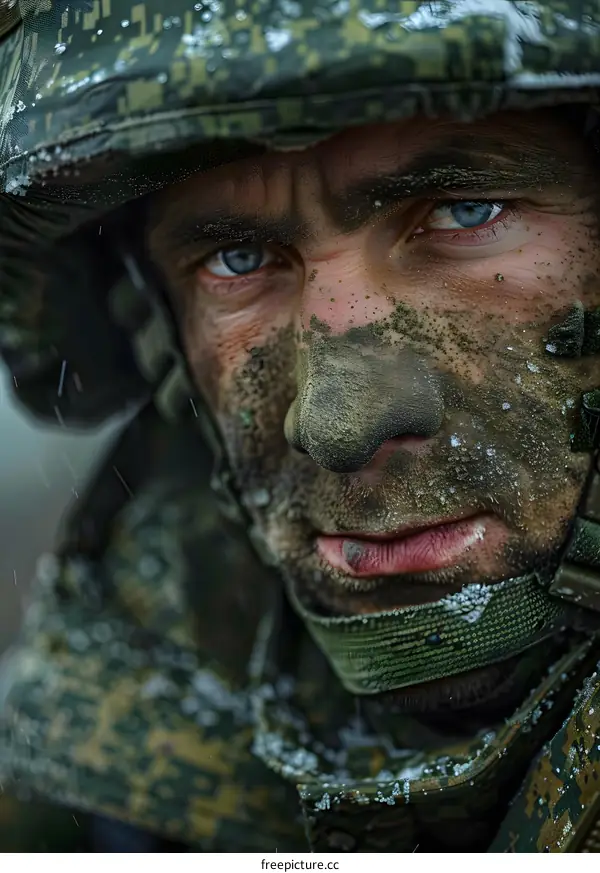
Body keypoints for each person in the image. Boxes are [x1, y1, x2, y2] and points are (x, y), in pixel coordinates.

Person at [0, 0, 599, 853]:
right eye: (236, 261)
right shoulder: (96, 767)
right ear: (163, 339)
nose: (341, 422)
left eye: (465, 211)